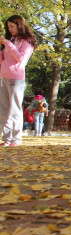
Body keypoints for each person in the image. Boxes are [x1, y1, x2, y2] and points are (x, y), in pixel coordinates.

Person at [0, 15, 36, 147]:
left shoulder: (27, 42)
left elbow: (21, 59)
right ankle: (7, 139)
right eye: (8, 27)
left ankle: (16, 139)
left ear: (19, 25)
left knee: (14, 108)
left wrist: (8, 44)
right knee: (3, 109)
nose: (10, 29)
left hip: (16, 78)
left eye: (12, 26)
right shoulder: (11, 40)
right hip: (3, 77)